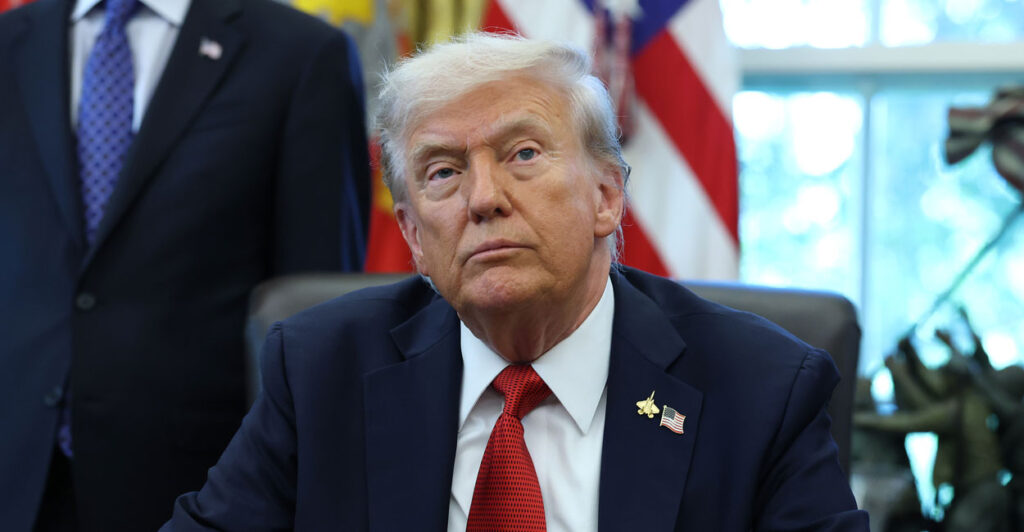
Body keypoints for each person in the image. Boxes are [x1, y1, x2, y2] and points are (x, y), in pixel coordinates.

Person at [161, 33, 867, 531]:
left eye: (522, 153)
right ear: (412, 235)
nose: (483, 198)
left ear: (606, 196)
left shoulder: (762, 387)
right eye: (443, 170)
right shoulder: (322, 370)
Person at [0, 0, 370, 529]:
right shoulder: (11, 39)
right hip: (16, 473)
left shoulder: (300, 54)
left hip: (203, 488)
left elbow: (317, 306)